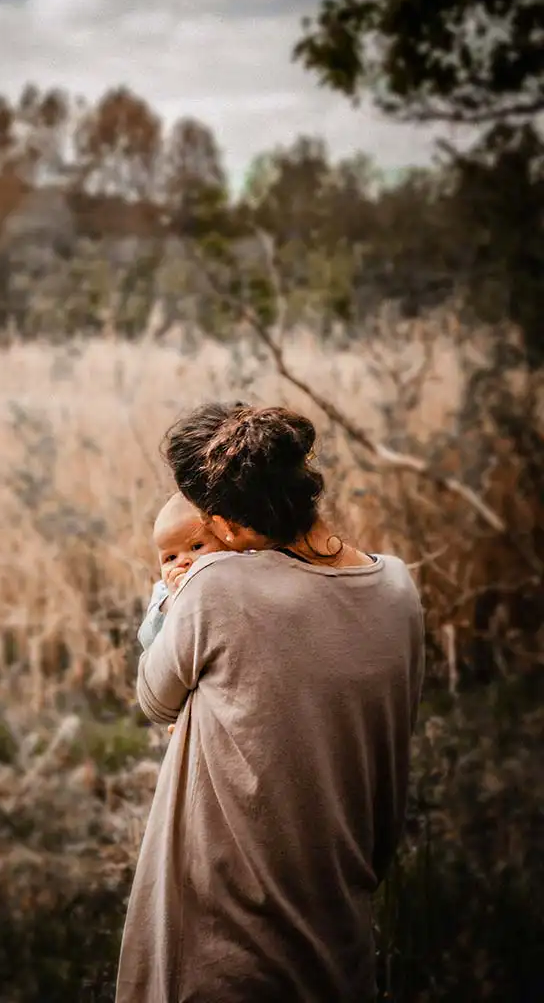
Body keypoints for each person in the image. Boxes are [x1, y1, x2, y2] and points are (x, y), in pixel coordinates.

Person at [116, 402, 425, 1003]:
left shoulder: (216, 588)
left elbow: (154, 697)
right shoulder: (398, 587)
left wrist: (170, 599)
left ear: (226, 527)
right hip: (341, 904)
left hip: (225, 931)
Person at [138, 491, 250, 651]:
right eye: (170, 558)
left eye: (196, 547)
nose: (183, 561)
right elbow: (148, 640)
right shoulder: (164, 592)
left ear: (224, 539)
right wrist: (173, 602)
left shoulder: (238, 566)